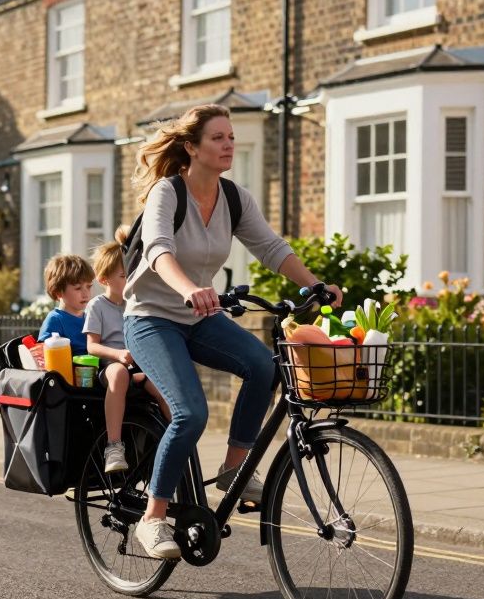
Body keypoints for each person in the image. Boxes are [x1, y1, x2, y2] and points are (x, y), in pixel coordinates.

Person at [123, 104, 342, 560]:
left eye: (231, 137)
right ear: (192, 148)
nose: (228, 145)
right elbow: (159, 248)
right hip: (150, 318)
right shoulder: (169, 192)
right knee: (190, 412)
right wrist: (188, 289)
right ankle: (152, 519)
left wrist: (314, 285)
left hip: (198, 317)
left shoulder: (234, 197)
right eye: (218, 138)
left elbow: (270, 247)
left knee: (264, 365)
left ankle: (233, 470)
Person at [85, 226, 167, 473]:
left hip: (137, 365)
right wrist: (118, 355)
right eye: (123, 276)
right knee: (119, 373)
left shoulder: (134, 304)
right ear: (104, 280)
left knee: (166, 386)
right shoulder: (97, 306)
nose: (129, 279)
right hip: (110, 365)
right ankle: (114, 446)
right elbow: (92, 346)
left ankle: (175, 444)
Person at [37, 254, 94, 355]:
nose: (86, 294)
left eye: (89, 287)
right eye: (78, 288)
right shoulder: (55, 319)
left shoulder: (90, 317)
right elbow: (43, 354)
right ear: (58, 292)